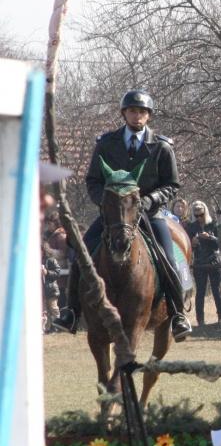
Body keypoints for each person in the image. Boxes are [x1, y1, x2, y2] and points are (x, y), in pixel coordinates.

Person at [53, 89, 192, 341]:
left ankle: (179, 314)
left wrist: (149, 200)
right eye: (132, 111)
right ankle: (71, 311)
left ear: (148, 116)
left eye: (142, 112)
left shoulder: (161, 146)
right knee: (82, 253)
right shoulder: (106, 143)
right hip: (115, 215)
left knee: (168, 258)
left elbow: (172, 185)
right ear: (124, 113)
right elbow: (93, 180)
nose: (137, 115)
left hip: (150, 212)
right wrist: (106, 203)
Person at [187, 201, 221, 326]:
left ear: (205, 212)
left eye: (201, 214)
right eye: (196, 215)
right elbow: (187, 246)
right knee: (200, 292)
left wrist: (210, 237)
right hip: (199, 261)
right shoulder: (191, 227)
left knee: (217, 290)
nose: (199, 217)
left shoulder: (213, 224)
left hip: (214, 260)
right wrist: (193, 242)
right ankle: (200, 320)